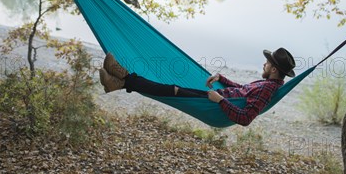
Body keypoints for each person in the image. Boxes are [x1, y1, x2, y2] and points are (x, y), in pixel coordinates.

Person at [99, 47, 296, 126]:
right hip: (216, 97)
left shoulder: (267, 88)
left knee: (172, 91)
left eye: (268, 63)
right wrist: (222, 78)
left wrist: (220, 101)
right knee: (172, 89)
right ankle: (119, 82)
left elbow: (246, 119)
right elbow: (243, 92)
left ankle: (123, 76)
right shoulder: (268, 84)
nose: (264, 64)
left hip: (215, 105)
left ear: (274, 70)